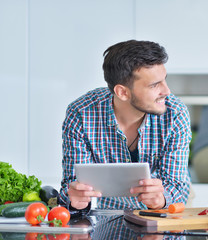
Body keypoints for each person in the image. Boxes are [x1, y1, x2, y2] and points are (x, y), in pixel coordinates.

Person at [58, 40, 192, 214]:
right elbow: (71, 185)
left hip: (158, 216)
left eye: (164, 80)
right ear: (122, 92)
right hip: (106, 216)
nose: (166, 91)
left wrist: (162, 199)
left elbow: (178, 188)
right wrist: (76, 198)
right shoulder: (81, 114)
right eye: (154, 85)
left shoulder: (175, 114)